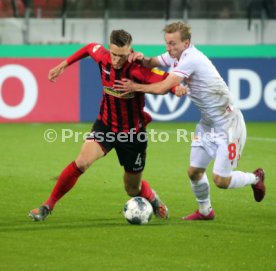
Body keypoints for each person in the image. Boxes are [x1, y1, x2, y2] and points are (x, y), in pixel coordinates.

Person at [114, 21, 266, 220]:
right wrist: (141, 58)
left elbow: (162, 87)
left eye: (173, 44)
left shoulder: (191, 59)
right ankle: (205, 212)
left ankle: (256, 178)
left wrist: (135, 87)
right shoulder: (175, 55)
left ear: (186, 43)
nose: (169, 48)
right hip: (207, 124)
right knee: (194, 172)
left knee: (221, 180)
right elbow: (152, 62)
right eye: (167, 43)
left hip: (228, 125)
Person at [29, 29, 169, 221]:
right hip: (106, 126)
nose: (118, 60)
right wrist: (63, 65)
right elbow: (88, 48)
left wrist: (177, 87)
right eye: (114, 54)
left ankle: (152, 198)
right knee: (82, 162)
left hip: (133, 135)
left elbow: (166, 81)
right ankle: (47, 206)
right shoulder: (102, 58)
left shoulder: (138, 68)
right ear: (109, 48)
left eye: (123, 55)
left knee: (132, 189)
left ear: (130, 51)